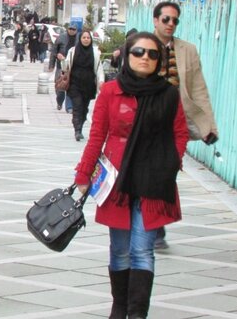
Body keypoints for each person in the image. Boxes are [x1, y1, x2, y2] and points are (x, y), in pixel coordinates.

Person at [75, 32, 189, 318]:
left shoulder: (168, 93)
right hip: (117, 181)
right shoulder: (111, 91)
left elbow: (180, 133)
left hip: (155, 180)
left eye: (152, 54)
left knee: (142, 250)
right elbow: (98, 135)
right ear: (127, 55)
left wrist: (170, 163)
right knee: (120, 249)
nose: (145, 58)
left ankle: (137, 313)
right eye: (139, 52)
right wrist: (83, 173)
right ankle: (119, 305)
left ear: (159, 60)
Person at [151, 1, 219, 250]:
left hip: (174, 122)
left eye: (175, 20)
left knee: (167, 171)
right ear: (155, 20)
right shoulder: (143, 45)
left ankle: (157, 224)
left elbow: (199, 89)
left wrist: (208, 126)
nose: (170, 24)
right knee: (146, 171)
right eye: (166, 19)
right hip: (146, 121)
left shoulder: (188, 50)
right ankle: (152, 225)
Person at [60, 30, 105, 141]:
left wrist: (101, 81)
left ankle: (80, 124)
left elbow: (99, 69)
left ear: (91, 40)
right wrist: (62, 61)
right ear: (80, 39)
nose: (86, 39)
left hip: (88, 85)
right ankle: (77, 130)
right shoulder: (73, 51)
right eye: (83, 37)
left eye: (88, 38)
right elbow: (66, 68)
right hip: (75, 84)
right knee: (77, 106)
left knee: (84, 109)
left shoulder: (95, 53)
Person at [49, 25, 78, 113]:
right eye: (70, 29)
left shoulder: (79, 39)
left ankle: (69, 107)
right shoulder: (61, 38)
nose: (72, 31)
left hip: (73, 66)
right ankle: (59, 101)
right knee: (60, 87)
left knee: (71, 87)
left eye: (74, 29)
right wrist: (51, 64)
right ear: (67, 29)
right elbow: (54, 51)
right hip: (60, 65)